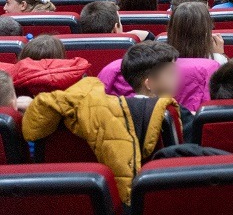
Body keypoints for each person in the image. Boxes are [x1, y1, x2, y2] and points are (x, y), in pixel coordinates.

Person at [21, 41, 183, 206]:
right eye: (171, 73)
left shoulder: (61, 113)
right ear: (149, 84)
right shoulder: (169, 114)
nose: (179, 78)